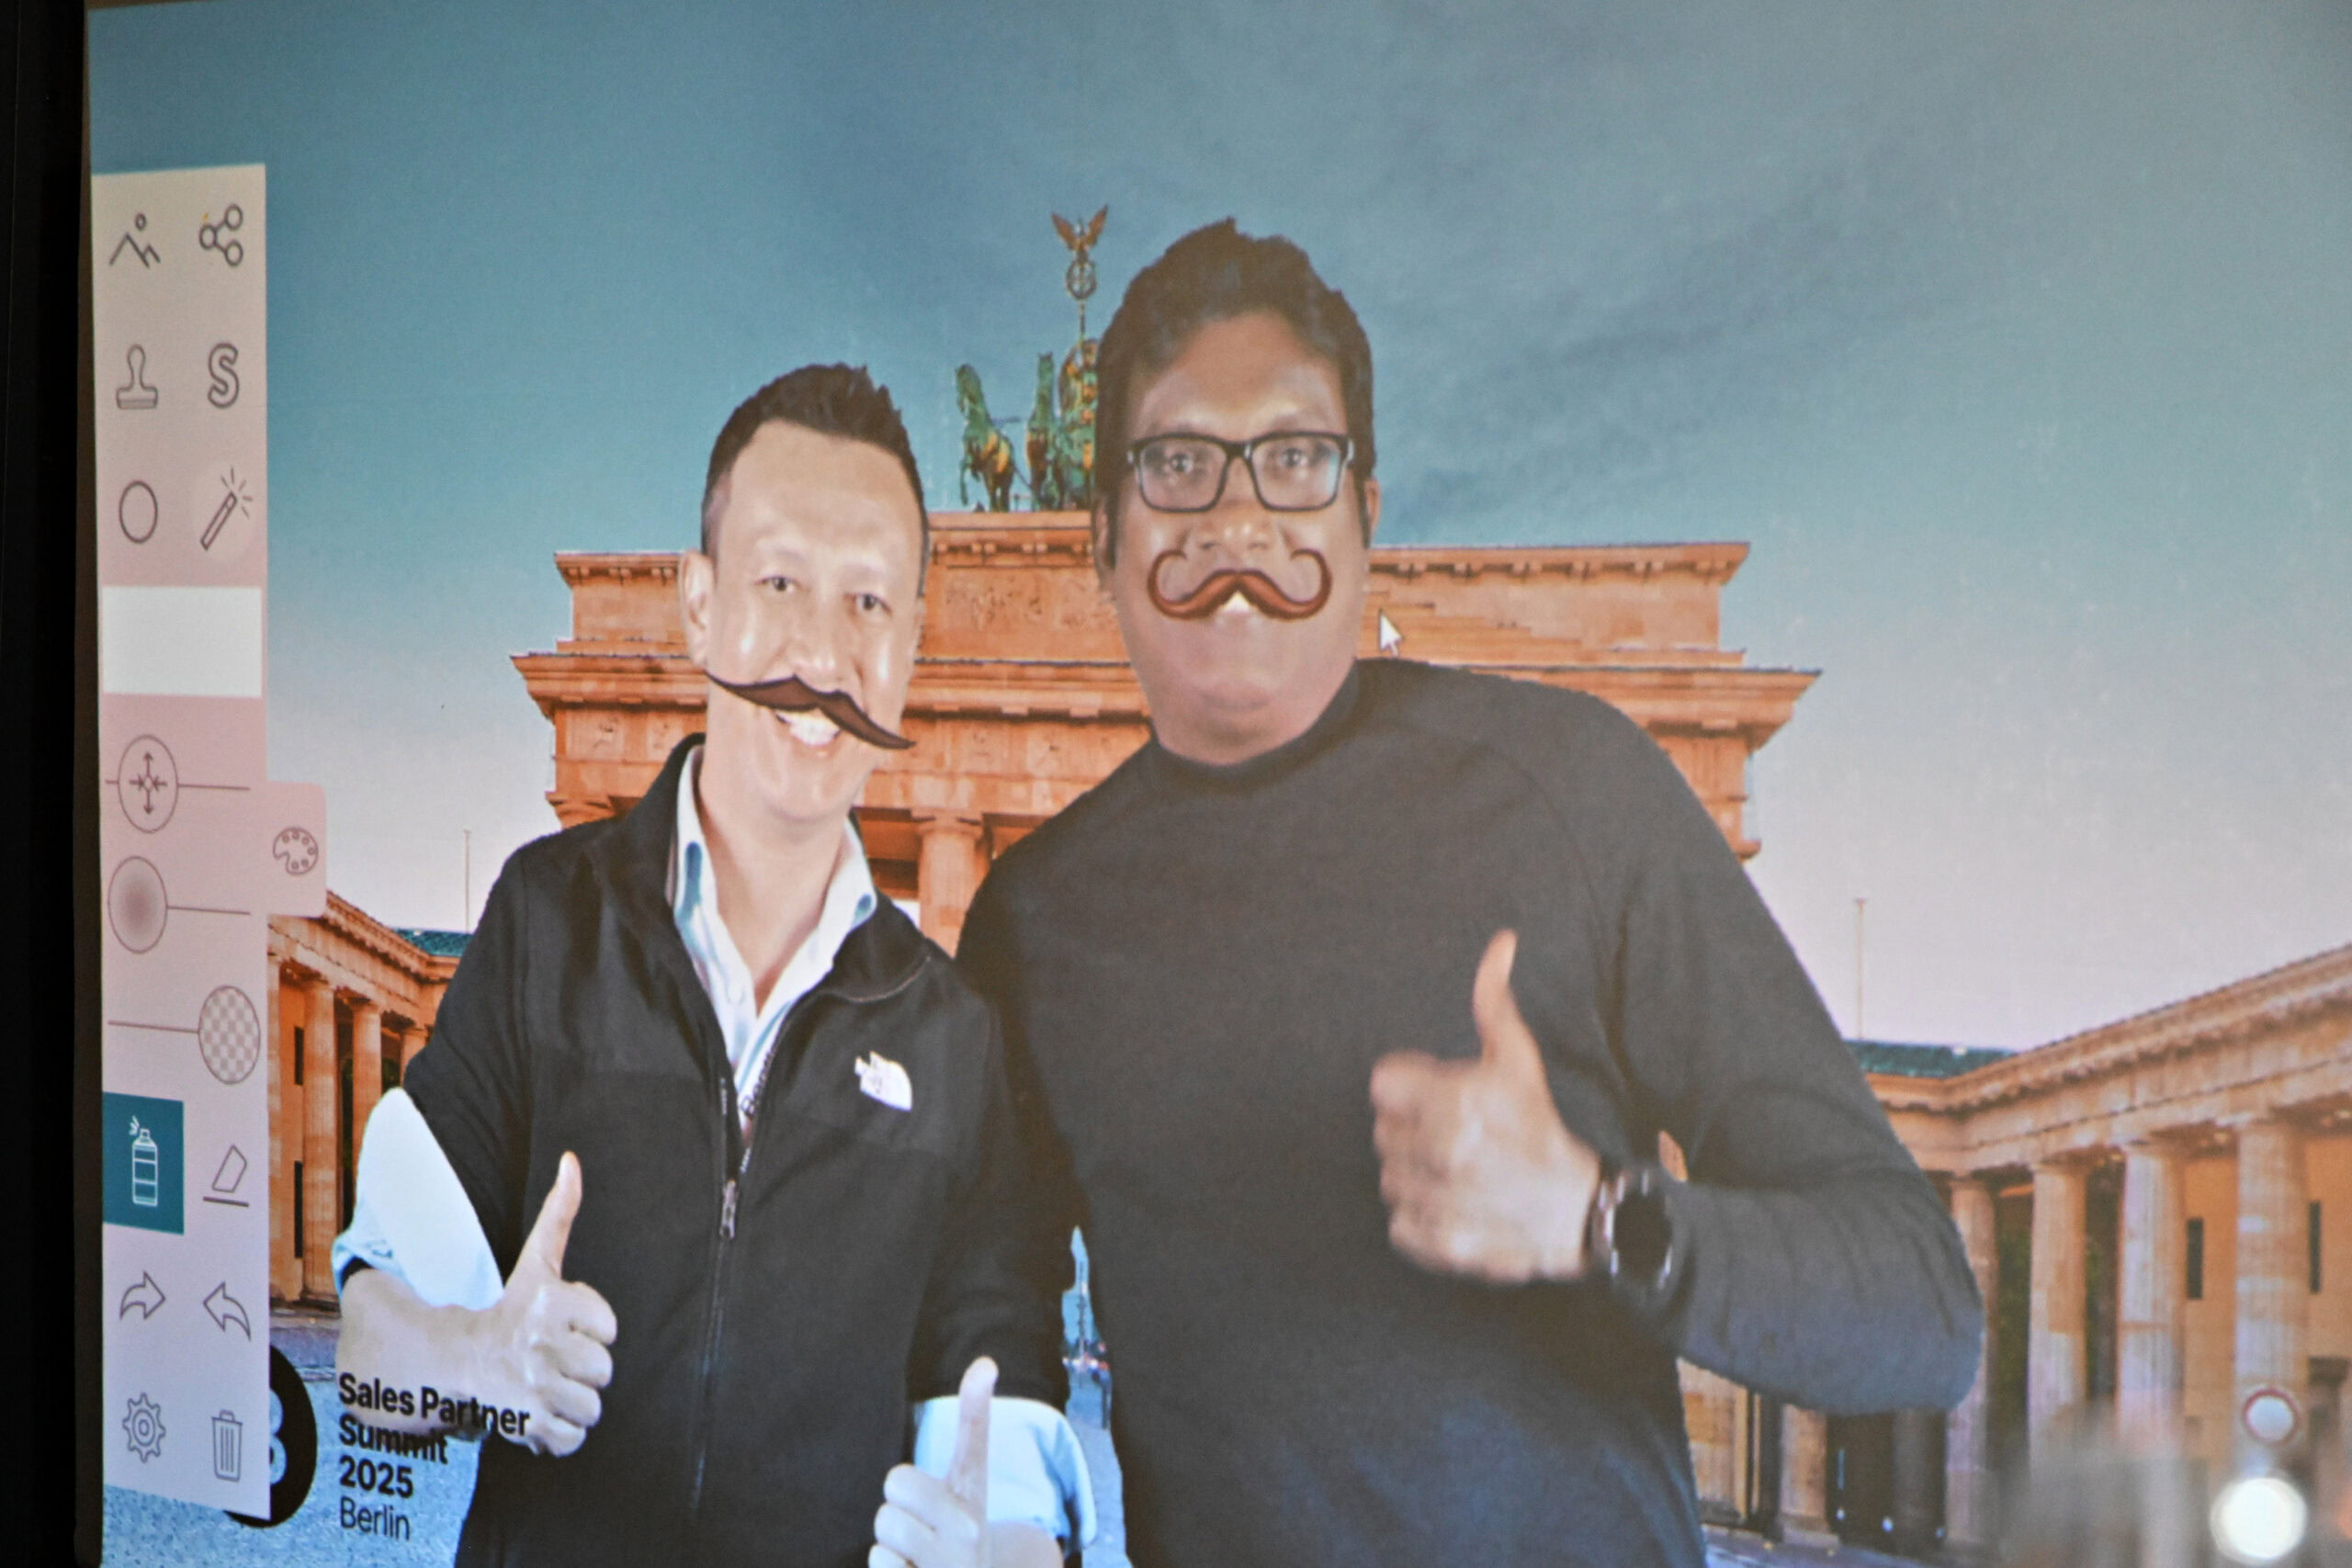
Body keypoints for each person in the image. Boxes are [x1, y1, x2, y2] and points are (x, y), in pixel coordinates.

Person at [954, 221, 1984, 1567]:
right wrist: (1011, 1516)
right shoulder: (1032, 923)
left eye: (1295, 458)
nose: (1238, 521)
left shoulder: (1577, 791)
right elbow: (991, 1310)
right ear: (1101, 538)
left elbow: (1922, 1309)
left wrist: (1599, 1216)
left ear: (1367, 515)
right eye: (1178, 464)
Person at [331, 365, 1091, 1568]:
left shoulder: (956, 1039)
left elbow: (1003, 1417)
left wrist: (1005, 1550)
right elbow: (370, 1361)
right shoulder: (546, 924)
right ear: (699, 606)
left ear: (910, 650)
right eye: (781, 582)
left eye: (869, 602)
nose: (822, 651)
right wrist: (475, 1358)